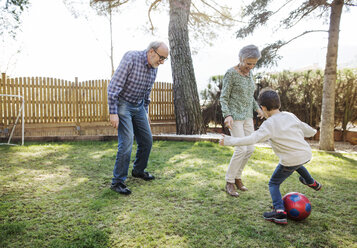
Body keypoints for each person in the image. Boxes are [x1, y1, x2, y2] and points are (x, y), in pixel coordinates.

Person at [219, 89, 322, 224]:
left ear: (263, 108)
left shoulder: (269, 124)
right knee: (296, 164)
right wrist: (313, 131)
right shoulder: (289, 115)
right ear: (278, 104)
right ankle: (311, 182)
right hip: (306, 154)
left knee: (274, 183)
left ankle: (279, 213)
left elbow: (252, 138)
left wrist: (229, 141)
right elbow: (304, 127)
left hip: (290, 160)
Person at [107, 41, 169, 195]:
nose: (162, 62)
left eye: (164, 59)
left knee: (147, 140)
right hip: (123, 105)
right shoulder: (131, 58)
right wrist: (113, 112)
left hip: (139, 106)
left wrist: (145, 112)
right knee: (127, 142)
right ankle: (117, 182)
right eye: (161, 58)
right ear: (151, 52)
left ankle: (138, 170)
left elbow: (146, 93)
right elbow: (114, 86)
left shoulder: (154, 68)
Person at [220, 44, 265, 197]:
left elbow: (249, 96)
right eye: (248, 63)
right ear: (241, 59)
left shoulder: (250, 74)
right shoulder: (231, 74)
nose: (251, 67)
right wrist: (227, 115)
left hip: (247, 117)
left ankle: (238, 177)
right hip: (234, 117)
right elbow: (224, 97)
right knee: (241, 149)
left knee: (250, 148)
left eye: (254, 64)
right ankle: (229, 181)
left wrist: (257, 108)